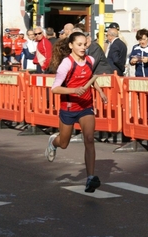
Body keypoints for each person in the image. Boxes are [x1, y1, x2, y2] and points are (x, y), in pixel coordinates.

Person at [45, 32, 107, 193]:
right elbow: (55, 88)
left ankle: (90, 178)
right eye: (79, 45)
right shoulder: (66, 64)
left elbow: (90, 78)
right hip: (69, 107)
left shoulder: (90, 60)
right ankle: (53, 142)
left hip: (86, 106)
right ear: (71, 45)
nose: (83, 48)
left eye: (84, 44)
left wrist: (99, 91)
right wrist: (74, 90)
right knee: (64, 143)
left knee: (89, 139)